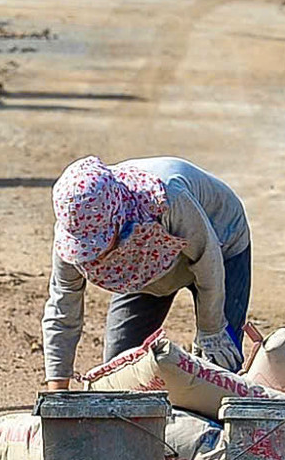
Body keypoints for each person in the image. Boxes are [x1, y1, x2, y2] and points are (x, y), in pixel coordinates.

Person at [41, 156, 251, 389]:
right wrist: (57, 393)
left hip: (219, 244)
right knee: (119, 375)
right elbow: (62, 307)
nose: (93, 256)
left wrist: (212, 329)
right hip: (145, 268)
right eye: (85, 248)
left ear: (118, 220)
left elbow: (208, 260)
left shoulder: (168, 199)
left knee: (219, 369)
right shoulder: (72, 237)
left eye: (97, 245)